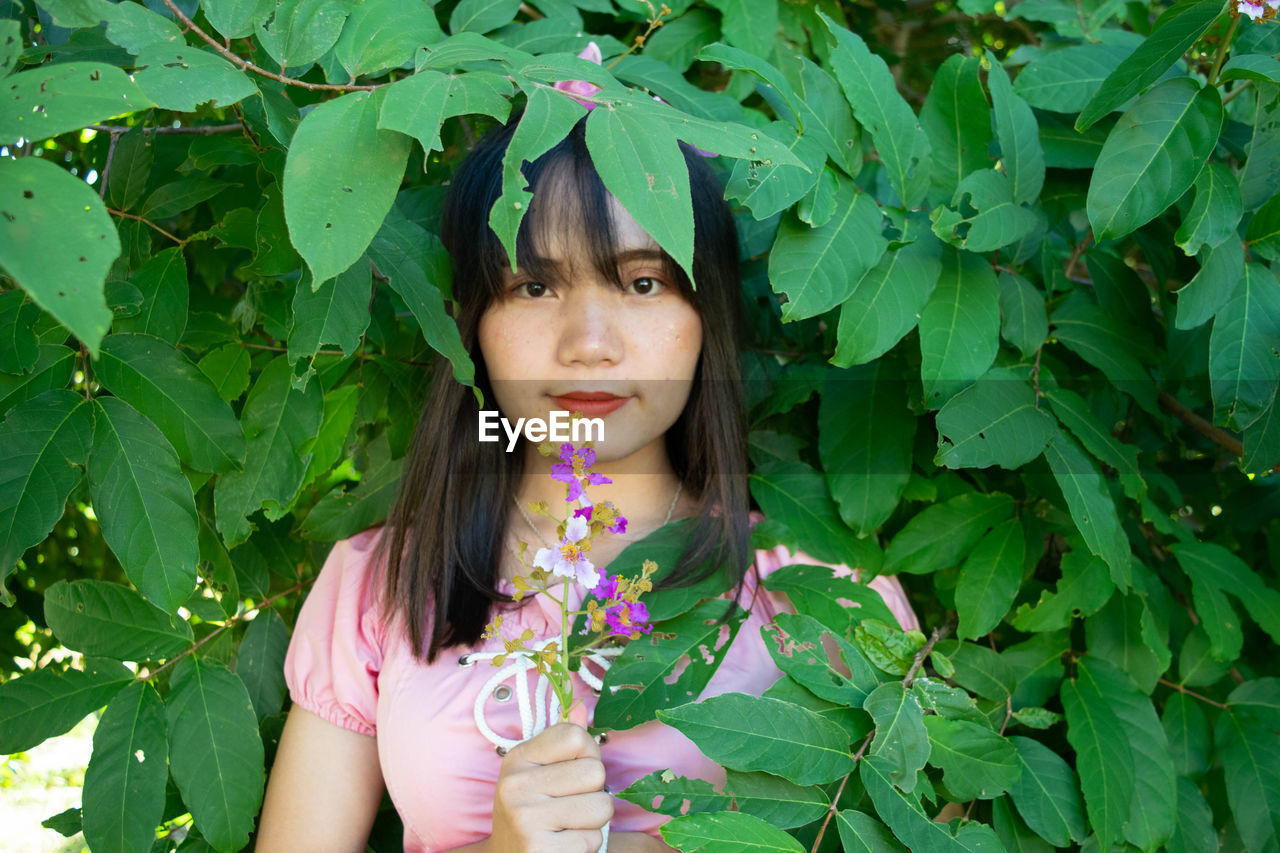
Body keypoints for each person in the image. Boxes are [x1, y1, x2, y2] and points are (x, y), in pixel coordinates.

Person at [255, 112, 918, 853]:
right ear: (470, 320)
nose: (589, 345)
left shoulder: (823, 591)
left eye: (642, 281)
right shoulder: (382, 586)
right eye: (533, 286)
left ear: (706, 313)